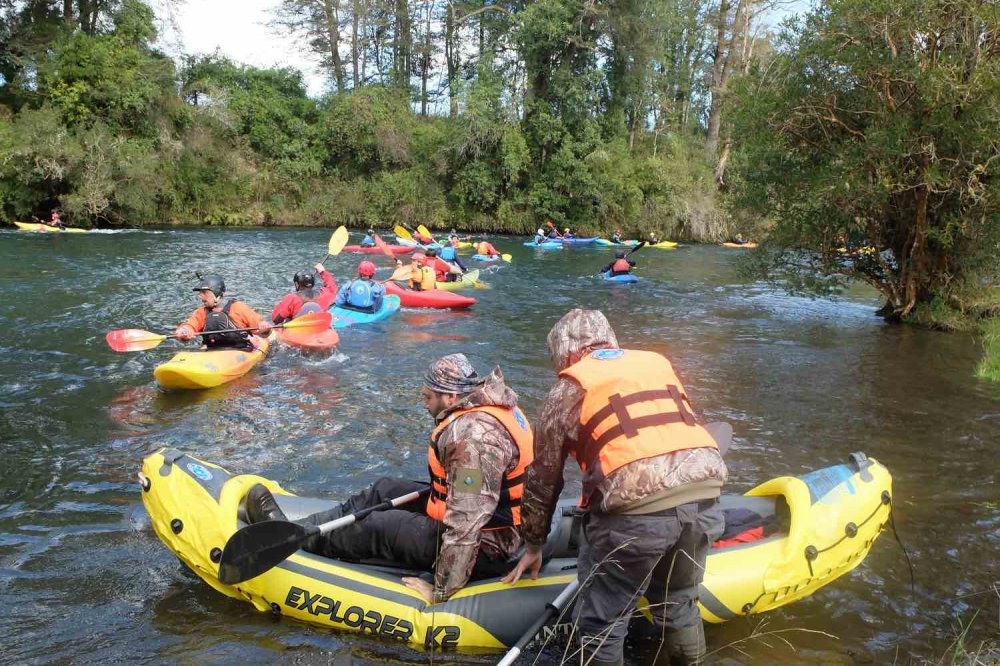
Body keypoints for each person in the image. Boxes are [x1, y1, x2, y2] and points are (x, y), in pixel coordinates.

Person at [503, 309, 728, 666]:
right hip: (705, 499)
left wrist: (534, 542)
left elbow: (543, 479)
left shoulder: (569, 387)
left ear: (564, 352)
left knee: (602, 622)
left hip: (635, 518)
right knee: (679, 601)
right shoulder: (655, 363)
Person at [243, 354, 534, 604]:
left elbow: (466, 523)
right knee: (384, 489)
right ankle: (298, 528)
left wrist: (442, 590)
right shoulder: (478, 410)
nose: (424, 403)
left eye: (428, 397)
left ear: (451, 397)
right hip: (487, 520)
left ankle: (299, 543)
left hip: (491, 545)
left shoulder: (472, 440)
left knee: (381, 525)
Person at [174, 275, 272, 349]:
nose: (200, 296)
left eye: (204, 293)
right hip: (213, 350)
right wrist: (183, 331)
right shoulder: (201, 312)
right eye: (200, 293)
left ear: (216, 294)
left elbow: (261, 330)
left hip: (240, 350)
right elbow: (190, 325)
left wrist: (264, 328)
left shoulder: (238, 308)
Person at [271, 263, 338, 324]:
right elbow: (332, 287)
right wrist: (323, 272)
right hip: (319, 329)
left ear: (297, 284)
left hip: (298, 331)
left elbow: (276, 319)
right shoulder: (324, 295)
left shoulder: (292, 298)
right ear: (313, 283)